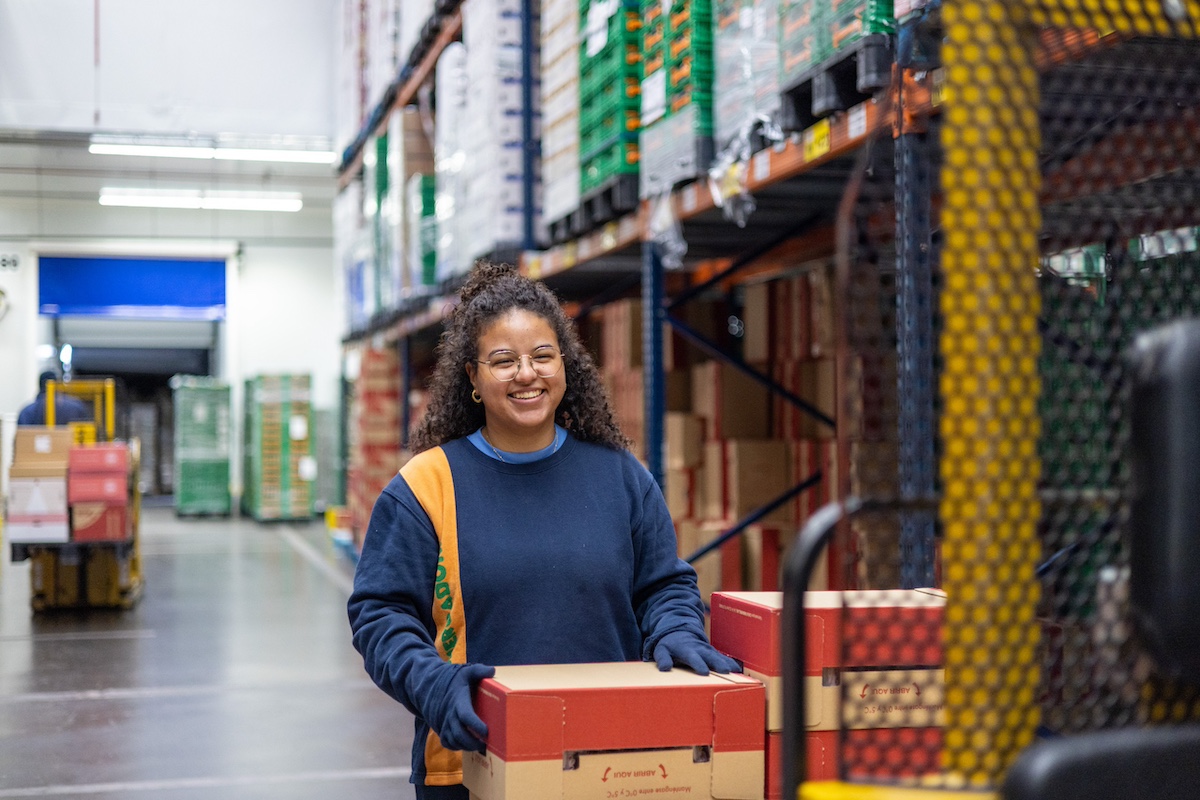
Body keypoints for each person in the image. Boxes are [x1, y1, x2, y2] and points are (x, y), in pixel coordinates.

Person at [347, 261, 739, 800]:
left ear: (564, 366)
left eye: (542, 356)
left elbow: (663, 585)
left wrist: (676, 629)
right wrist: (431, 683)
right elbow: (379, 614)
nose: (526, 374)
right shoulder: (426, 486)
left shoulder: (621, 476)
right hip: (474, 763)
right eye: (504, 361)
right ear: (473, 378)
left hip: (612, 758)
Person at [17, 370, 93, 426]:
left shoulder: (27, 412)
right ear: (58, 384)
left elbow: (21, 441)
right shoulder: (76, 407)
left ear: (39, 385)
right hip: (68, 447)